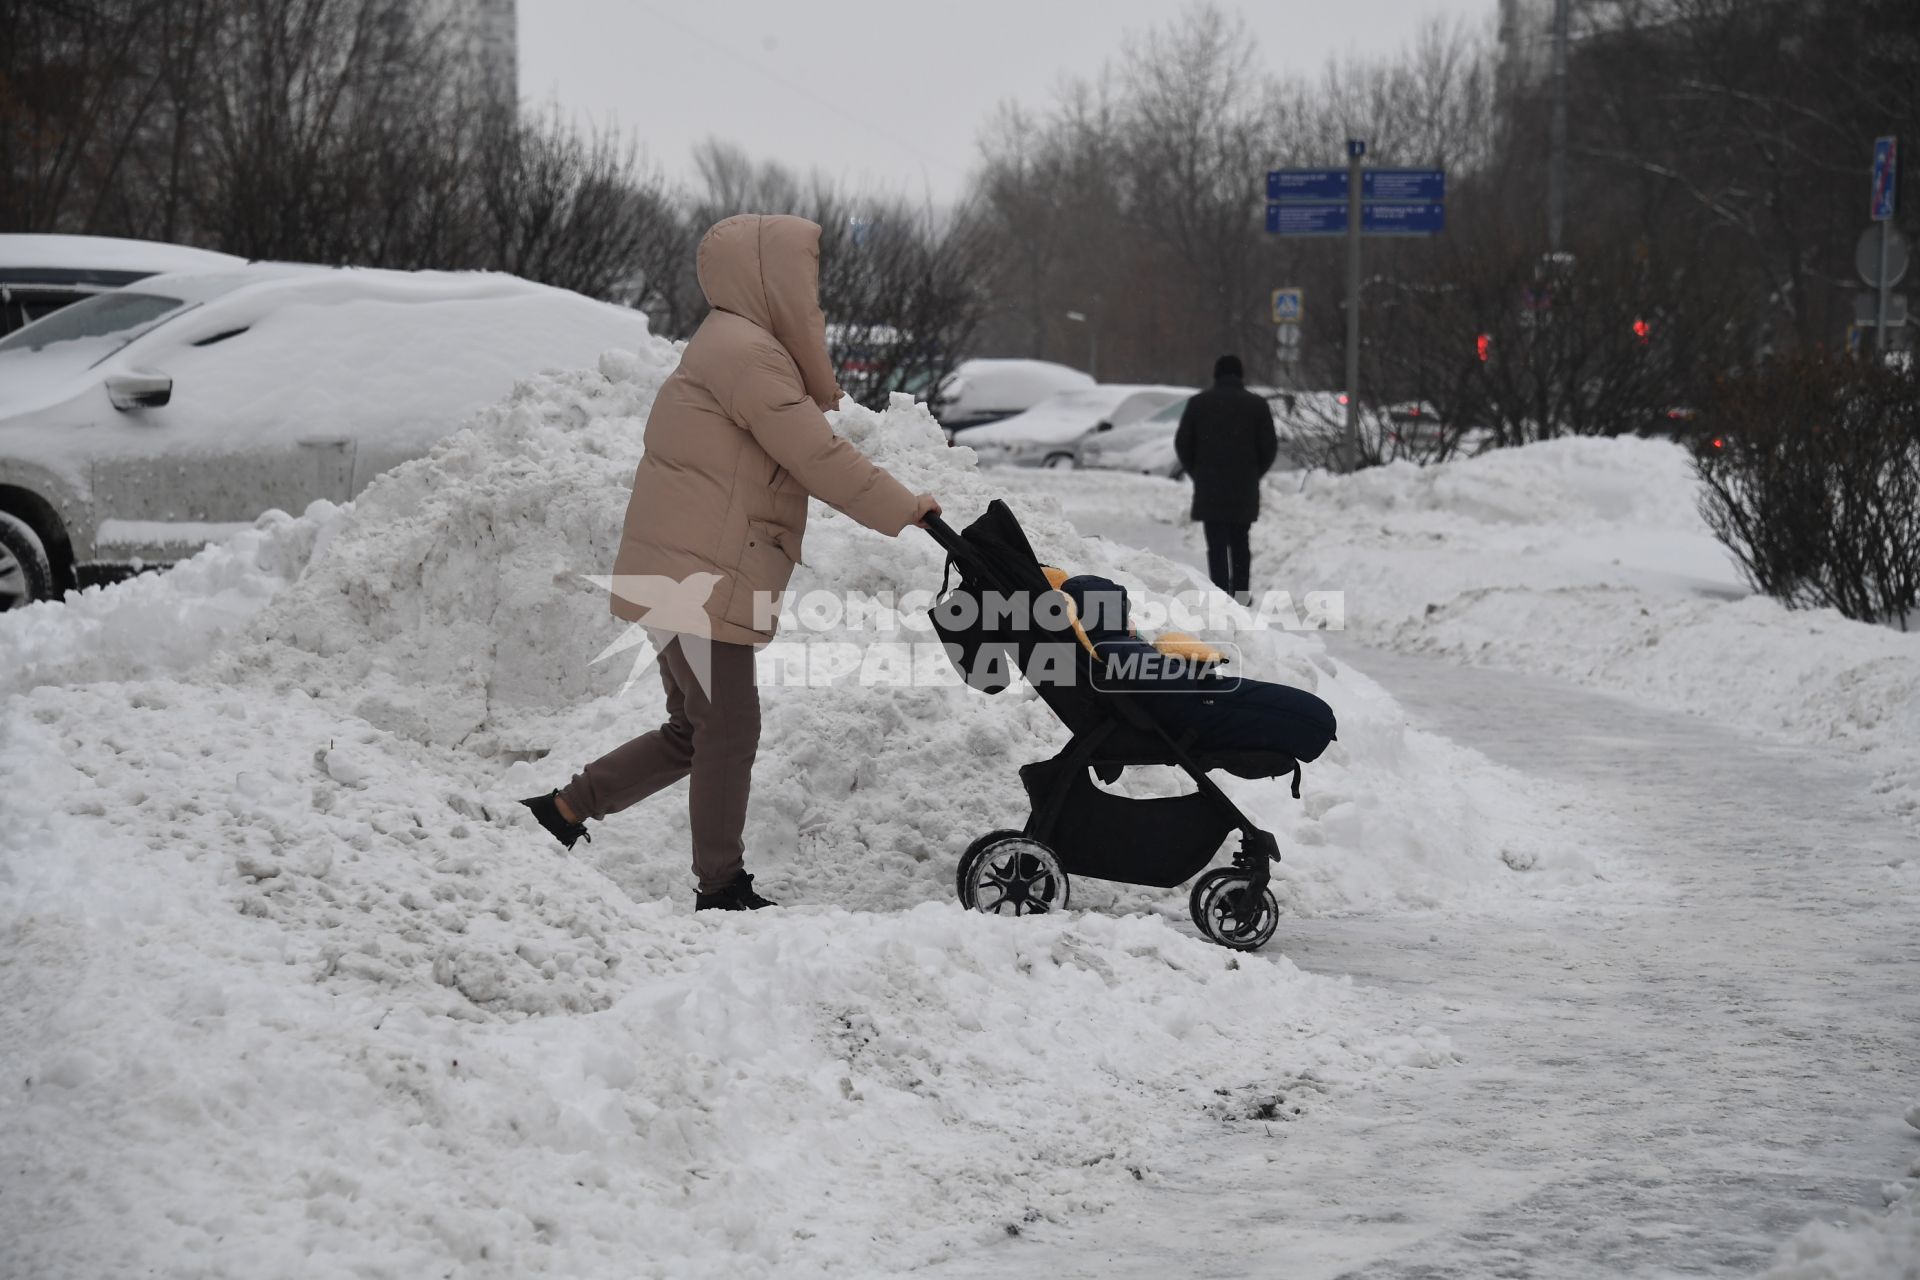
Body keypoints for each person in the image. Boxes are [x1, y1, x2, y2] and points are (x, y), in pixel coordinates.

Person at [521, 213, 941, 911]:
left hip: (679, 572)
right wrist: (904, 507)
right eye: (802, 280)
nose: (813, 299)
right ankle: (720, 885)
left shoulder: (730, 344)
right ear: (766, 278)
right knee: (728, 728)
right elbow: (815, 454)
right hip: (697, 578)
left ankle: (563, 811)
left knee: (695, 729)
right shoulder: (748, 355)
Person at [1173, 354, 1279, 603]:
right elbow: (1269, 447)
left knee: (1216, 545)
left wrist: (1197, 473)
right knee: (1241, 542)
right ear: (1241, 375)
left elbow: (1182, 444)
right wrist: (1254, 473)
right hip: (1243, 487)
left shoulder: (1199, 403)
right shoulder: (1257, 405)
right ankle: (1241, 595)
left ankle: (1220, 595)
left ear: (1216, 374)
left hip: (1210, 486)